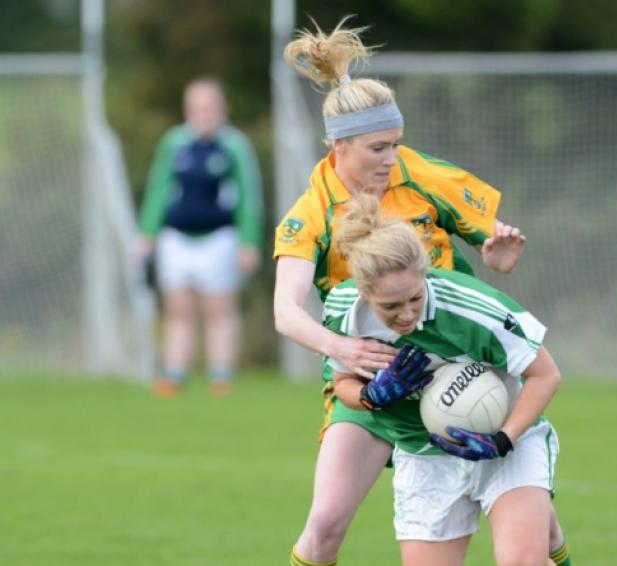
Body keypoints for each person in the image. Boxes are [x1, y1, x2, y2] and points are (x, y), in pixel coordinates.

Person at [276, 18, 572, 566]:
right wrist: (349, 355)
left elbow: (493, 246)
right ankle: (538, 518)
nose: (391, 159)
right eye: (378, 148)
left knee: (520, 518)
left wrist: (498, 255)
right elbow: (285, 313)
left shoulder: (418, 173)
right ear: (338, 146)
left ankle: (538, 518)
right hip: (369, 366)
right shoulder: (311, 214)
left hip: (457, 359)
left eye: (396, 144)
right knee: (323, 525)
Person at [327, 193, 562, 565]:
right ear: (365, 292)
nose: (406, 315)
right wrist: (372, 395)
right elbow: (343, 385)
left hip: (507, 440)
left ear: (424, 276)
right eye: (390, 307)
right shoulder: (344, 313)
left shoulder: (470, 306)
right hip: (423, 452)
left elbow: (546, 374)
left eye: (415, 299)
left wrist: (502, 439)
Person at [135, 77, 264, 398]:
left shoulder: (234, 146)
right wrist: (147, 234)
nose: (203, 113)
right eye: (196, 107)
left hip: (219, 238)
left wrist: (249, 242)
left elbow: (248, 197)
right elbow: (159, 189)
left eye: (209, 106)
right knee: (178, 309)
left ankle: (221, 375)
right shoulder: (175, 142)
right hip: (177, 238)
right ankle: (174, 373)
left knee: (219, 309)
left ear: (223, 109)